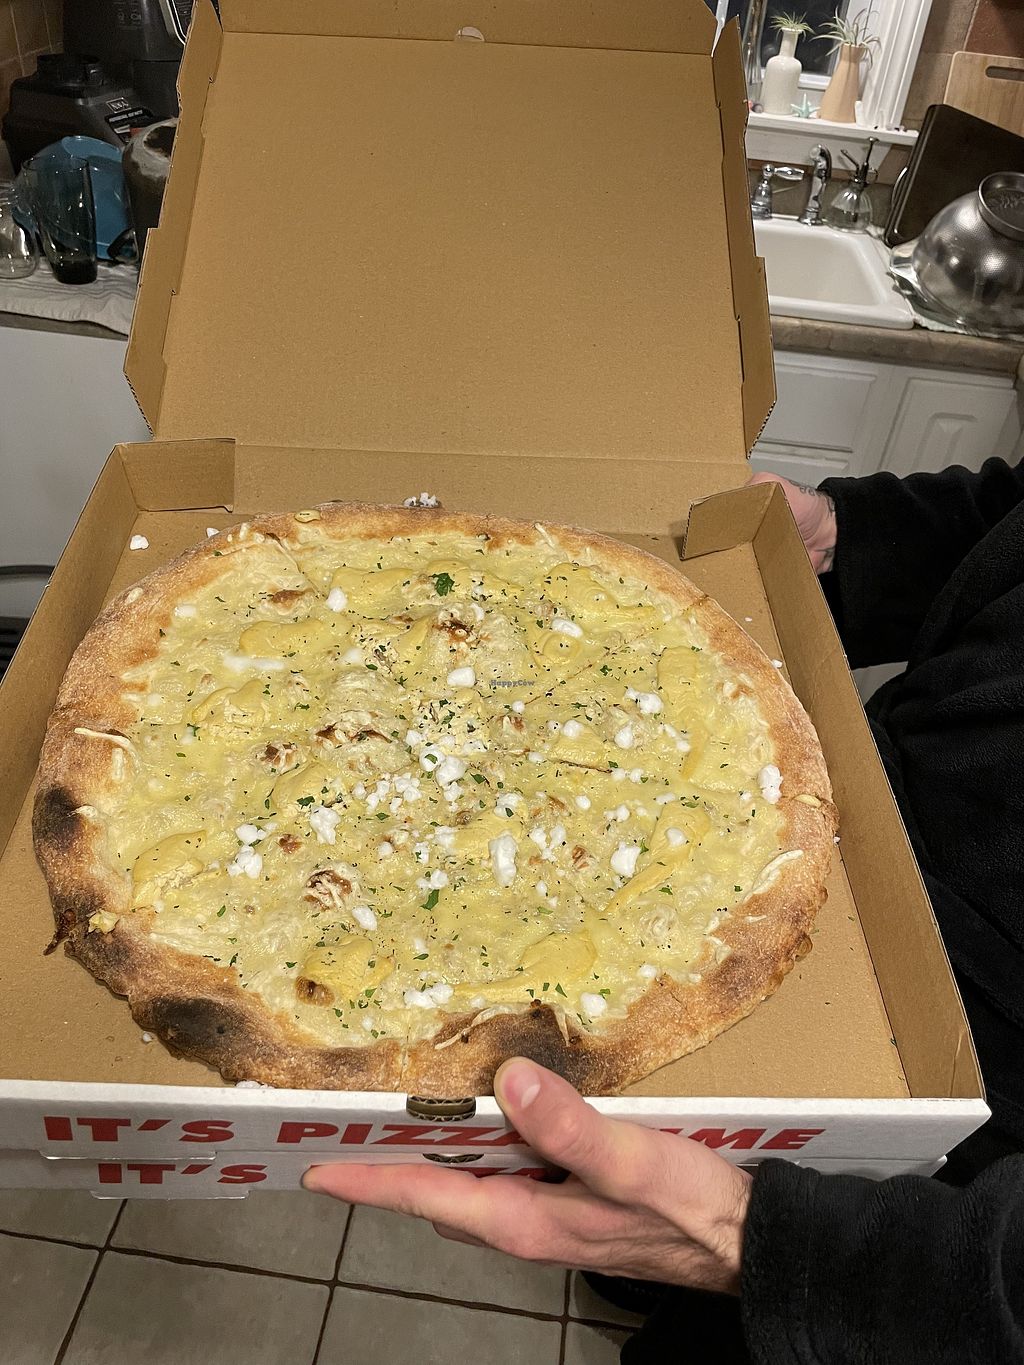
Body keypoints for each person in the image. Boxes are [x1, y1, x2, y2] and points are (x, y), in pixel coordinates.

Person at [304, 456, 1024, 1362]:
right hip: (875, 805)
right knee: (638, 1238)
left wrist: (756, 1243)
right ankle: (638, 1273)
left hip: (962, 1176)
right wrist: (856, 533)